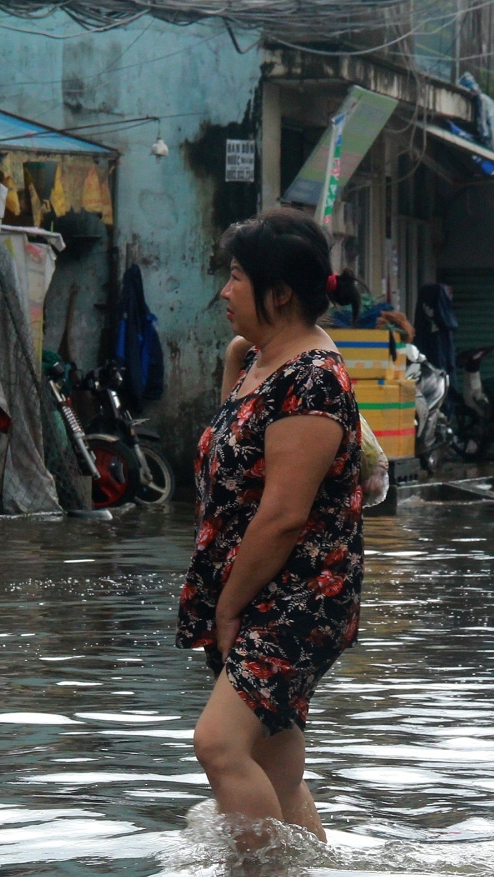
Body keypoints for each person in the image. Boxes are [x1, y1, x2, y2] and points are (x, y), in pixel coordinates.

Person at [179, 209, 364, 841]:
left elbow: (283, 517)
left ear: (280, 294)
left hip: (300, 594)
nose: (224, 291)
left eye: (236, 277)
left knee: (220, 746)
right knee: (274, 767)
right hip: (251, 585)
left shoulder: (311, 385)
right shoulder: (252, 358)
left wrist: (228, 609)